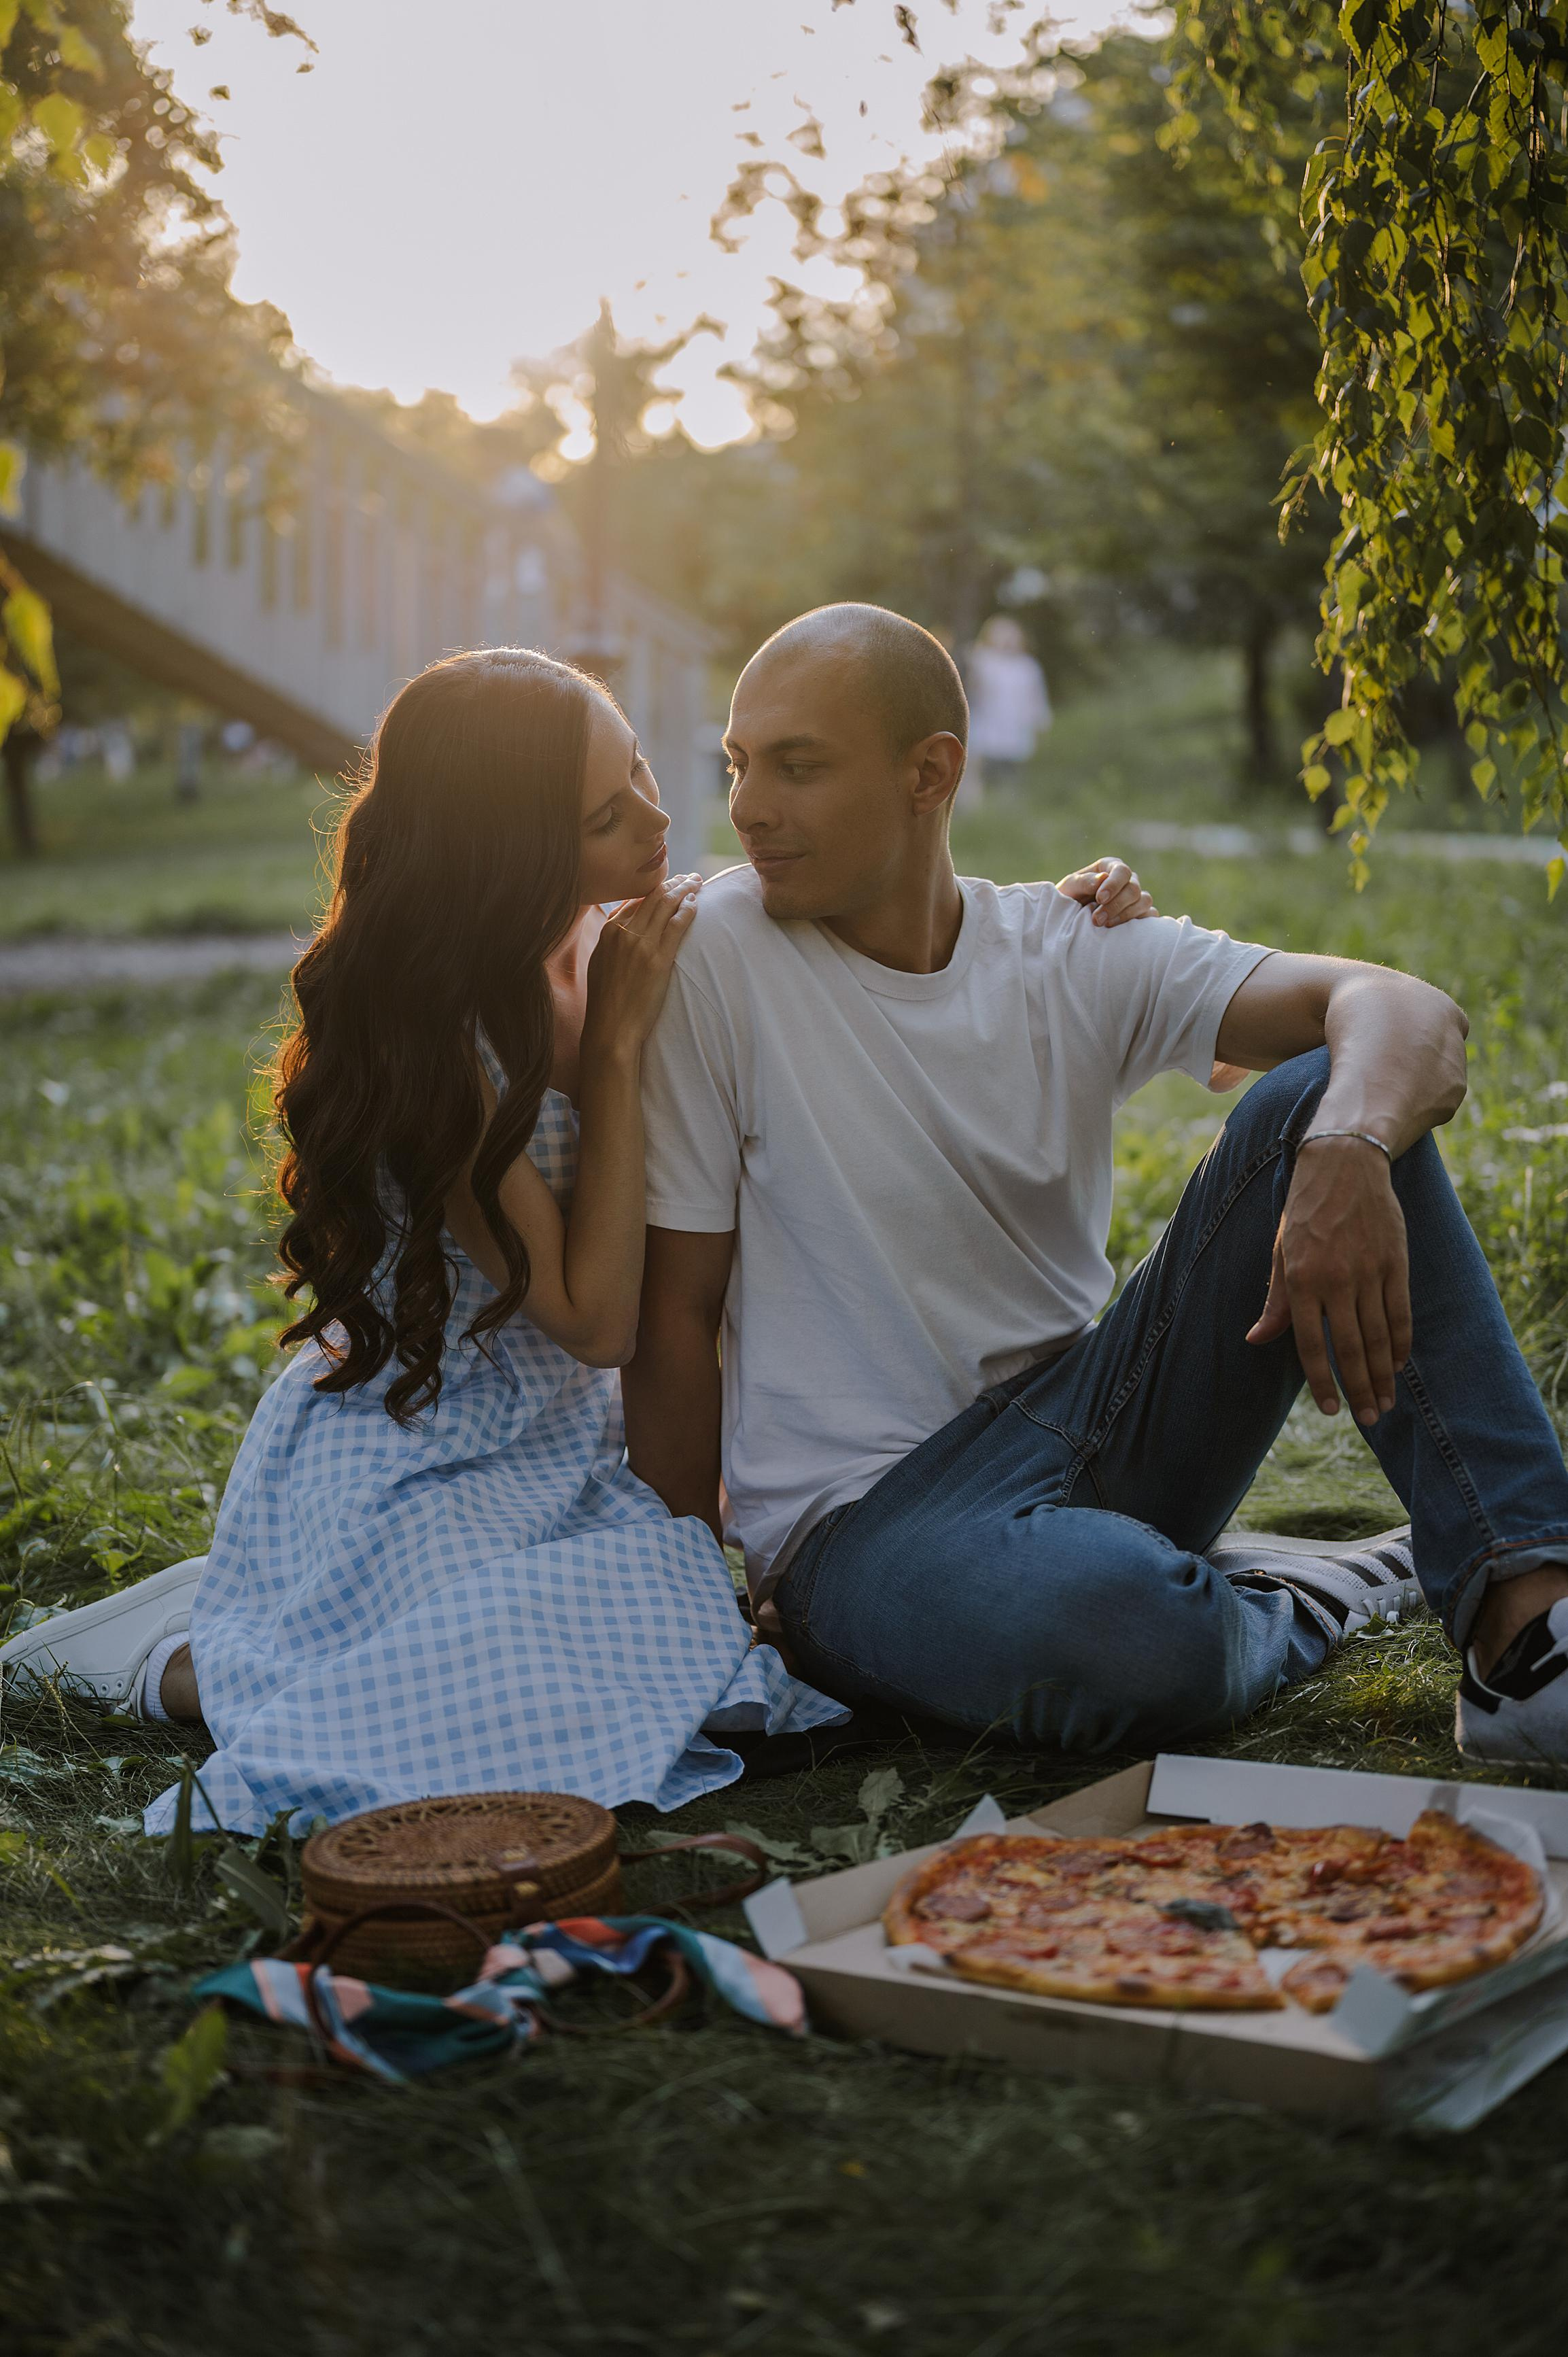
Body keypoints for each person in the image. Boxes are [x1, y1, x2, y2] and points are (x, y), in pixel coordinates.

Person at [0, 644, 1156, 1829]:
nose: (660, 819)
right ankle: (196, 1663)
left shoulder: (645, 936)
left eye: (642, 770)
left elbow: (882, 902)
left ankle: (272, 1628)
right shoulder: (442, 1042)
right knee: (517, 1652)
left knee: (645, 1623)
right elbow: (596, 1320)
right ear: (512, 852)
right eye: (608, 816)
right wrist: (611, 1049)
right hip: (427, 1432)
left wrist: (1061, 913)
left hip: (574, 1428)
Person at [623, 603, 1568, 1768]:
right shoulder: (715, 952)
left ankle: (1527, 1626)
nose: (748, 806)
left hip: (1099, 1421)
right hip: (867, 1523)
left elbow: (1406, 1012)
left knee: (1332, 1090)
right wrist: (684, 1611)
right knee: (1132, 1633)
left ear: (930, 773)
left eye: (797, 766)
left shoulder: (1064, 945)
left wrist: (1348, 1148)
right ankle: (1307, 1595)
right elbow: (674, 1316)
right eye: (737, 763)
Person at [965, 615, 1051, 799]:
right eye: (1000, 634)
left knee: (1011, 774)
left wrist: (1040, 725)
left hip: (1016, 728)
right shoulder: (983, 661)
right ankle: (973, 806)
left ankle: (1008, 807)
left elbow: (1036, 699)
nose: (1006, 639)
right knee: (976, 768)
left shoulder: (1028, 666)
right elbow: (973, 686)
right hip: (986, 726)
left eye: (1011, 634)